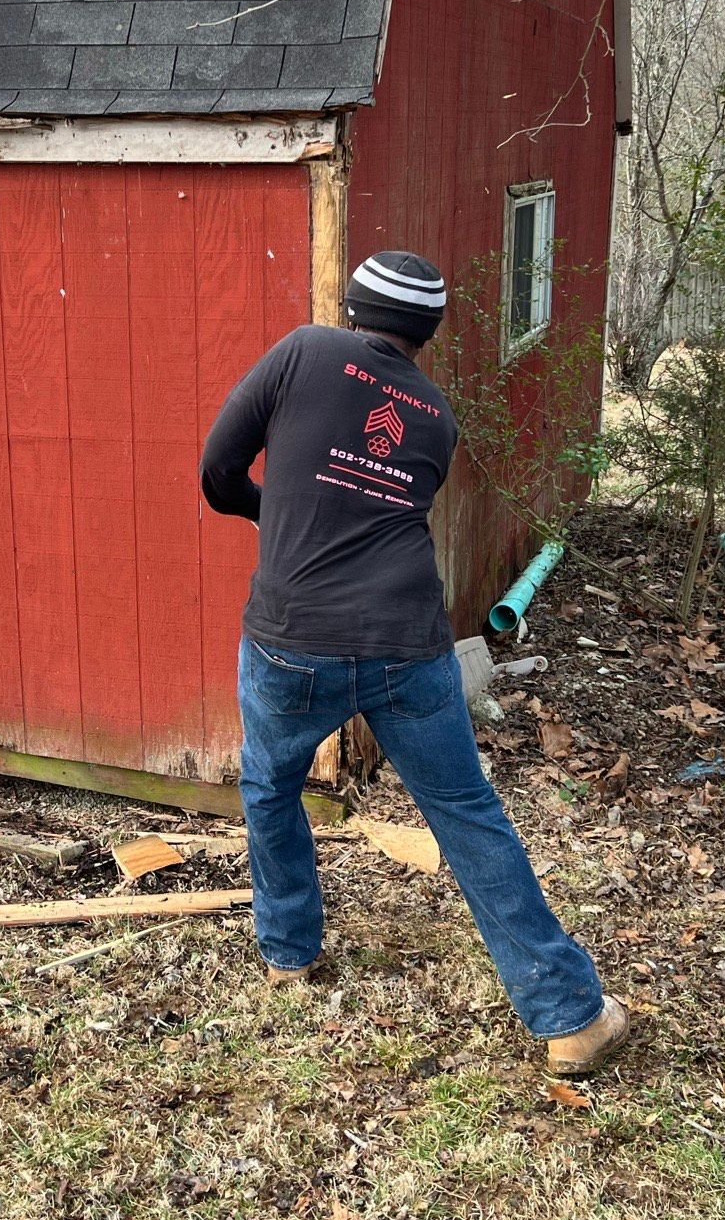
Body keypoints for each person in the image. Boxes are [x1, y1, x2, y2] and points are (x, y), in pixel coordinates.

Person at [199, 249, 628, 1077]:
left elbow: (219, 473)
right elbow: (380, 509)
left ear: (354, 306)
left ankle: (290, 953)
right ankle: (570, 1015)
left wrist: (274, 517)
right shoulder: (433, 414)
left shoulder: (302, 351)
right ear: (425, 333)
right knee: (466, 812)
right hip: (409, 643)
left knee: (270, 784)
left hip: (295, 639)